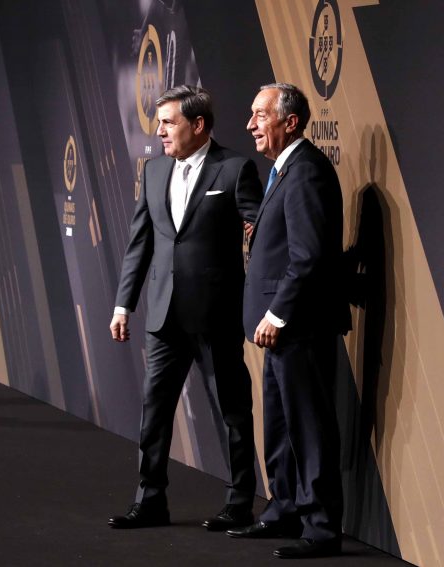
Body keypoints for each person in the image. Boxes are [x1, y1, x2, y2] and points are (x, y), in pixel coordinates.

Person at [108, 85, 262, 531]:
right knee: (154, 411)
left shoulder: (234, 168)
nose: (159, 132)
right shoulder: (154, 170)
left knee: (232, 412)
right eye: (159, 123)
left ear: (198, 125)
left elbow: (262, 231)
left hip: (216, 316)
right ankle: (150, 501)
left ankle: (239, 503)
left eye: (168, 123)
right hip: (162, 317)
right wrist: (123, 304)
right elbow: (140, 243)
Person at [227, 82, 349, 559]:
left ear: (290, 121)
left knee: (308, 427)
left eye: (260, 115)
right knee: (279, 424)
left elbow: (309, 256)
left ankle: (321, 527)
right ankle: (284, 509)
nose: (250, 124)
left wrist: (277, 314)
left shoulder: (307, 172)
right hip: (277, 328)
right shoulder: (284, 170)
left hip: (297, 325)